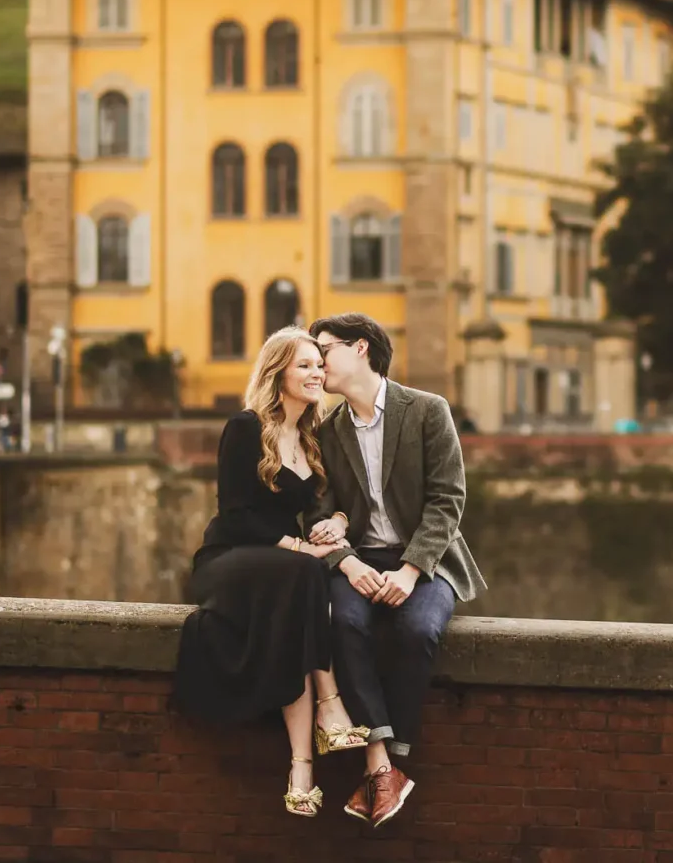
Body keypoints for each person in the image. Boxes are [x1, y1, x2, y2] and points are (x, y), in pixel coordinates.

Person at [174, 327, 374, 817]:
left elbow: (340, 503)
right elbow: (237, 515)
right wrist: (298, 545)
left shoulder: (313, 437)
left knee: (301, 588)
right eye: (304, 364)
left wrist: (335, 523)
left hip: (284, 568)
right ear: (278, 371)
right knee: (305, 573)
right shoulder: (245, 427)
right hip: (229, 557)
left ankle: (301, 767)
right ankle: (329, 704)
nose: (316, 373)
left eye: (319, 365)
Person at [305, 313, 486, 828]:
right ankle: (380, 765)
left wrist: (410, 571)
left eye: (325, 350)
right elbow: (318, 514)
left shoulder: (428, 410)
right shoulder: (326, 431)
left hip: (425, 560)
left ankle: (392, 756)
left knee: (418, 628)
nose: (318, 362)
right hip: (360, 558)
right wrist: (348, 562)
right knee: (345, 625)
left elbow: (448, 500)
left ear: (361, 348)